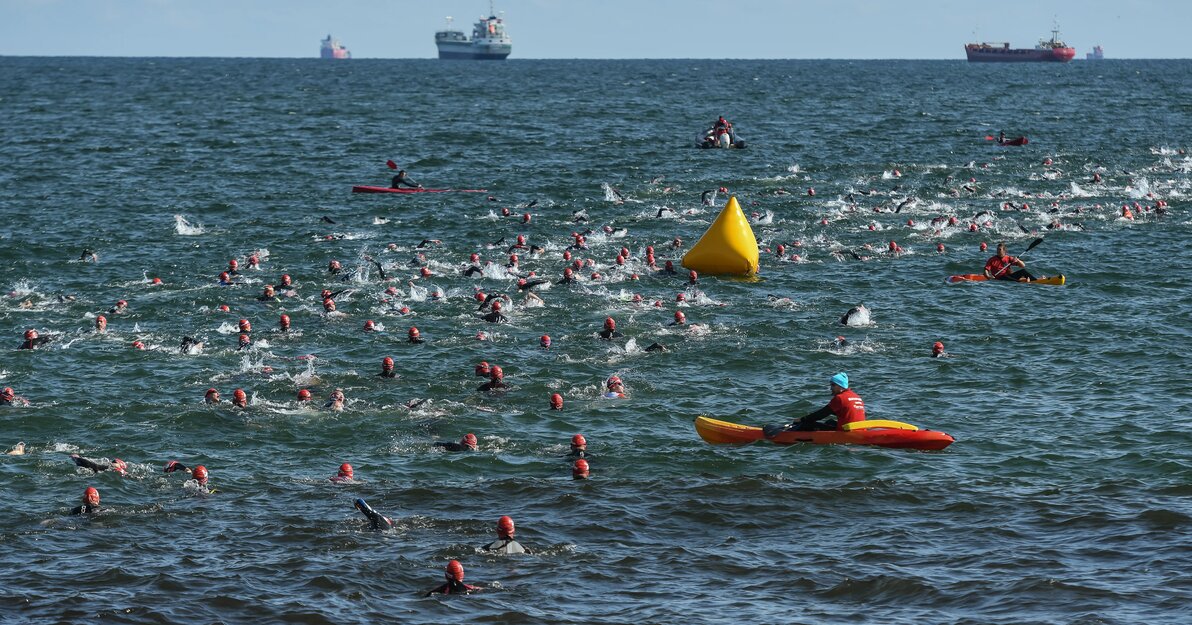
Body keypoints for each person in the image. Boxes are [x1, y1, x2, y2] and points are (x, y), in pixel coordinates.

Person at [765, 372, 865, 436]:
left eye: (833, 385)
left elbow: (821, 414)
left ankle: (786, 434)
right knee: (830, 422)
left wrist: (801, 419)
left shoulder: (840, 398)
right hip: (859, 430)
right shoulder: (856, 396)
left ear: (841, 386)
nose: (831, 388)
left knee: (806, 424)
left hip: (846, 433)